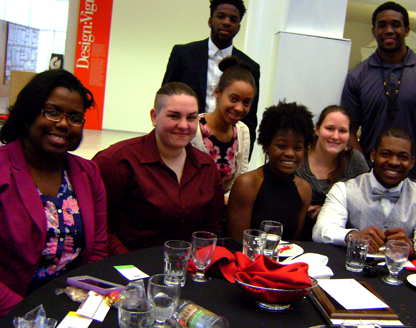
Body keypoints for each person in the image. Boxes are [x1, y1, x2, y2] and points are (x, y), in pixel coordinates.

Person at [0, 70, 107, 317]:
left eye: (75, 117)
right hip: (13, 308)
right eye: (52, 112)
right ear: (28, 114)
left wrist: (85, 307)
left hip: (72, 302)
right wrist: (26, 314)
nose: (62, 124)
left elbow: (97, 250)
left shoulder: (88, 172)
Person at [93, 83, 224, 256]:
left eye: (191, 118)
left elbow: (211, 230)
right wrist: (135, 268)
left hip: (185, 269)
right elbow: (101, 230)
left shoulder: (206, 167)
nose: (184, 125)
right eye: (174, 116)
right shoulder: (117, 162)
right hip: (127, 270)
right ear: (154, 117)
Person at [341, 1, 416, 188]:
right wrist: (365, 175)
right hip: (369, 180)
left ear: (407, 30)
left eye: (396, 24)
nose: (389, 30)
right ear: (374, 31)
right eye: (382, 25)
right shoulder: (357, 76)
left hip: (412, 179)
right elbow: (349, 131)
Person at [313, 127, 416, 259]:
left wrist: (412, 245)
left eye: (403, 157)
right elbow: (320, 232)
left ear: (411, 162)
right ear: (373, 155)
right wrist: (351, 236)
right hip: (351, 270)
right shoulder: (343, 190)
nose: (394, 162)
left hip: (401, 274)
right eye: (386, 154)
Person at [162, 0, 260, 152]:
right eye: (221, 16)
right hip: (184, 139)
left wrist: (242, 155)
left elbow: (250, 118)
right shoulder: (184, 54)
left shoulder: (250, 67)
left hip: (227, 146)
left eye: (233, 19)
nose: (226, 22)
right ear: (210, 20)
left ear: (239, 27)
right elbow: (166, 98)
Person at [227, 101, 315, 241]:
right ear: (266, 146)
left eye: (297, 148)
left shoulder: (304, 189)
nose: (290, 153)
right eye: (281, 145)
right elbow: (237, 243)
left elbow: (293, 244)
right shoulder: (247, 184)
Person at [295, 105, 369, 240]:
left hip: (339, 239)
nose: (335, 136)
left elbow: (366, 203)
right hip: (297, 236)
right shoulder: (298, 157)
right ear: (317, 129)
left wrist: (328, 211)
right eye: (330, 129)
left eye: (342, 131)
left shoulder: (355, 161)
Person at [191, 56, 256, 195]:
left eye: (246, 103)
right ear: (218, 93)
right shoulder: (193, 127)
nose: (239, 108)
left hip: (222, 211)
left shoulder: (243, 131)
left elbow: (239, 183)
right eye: (233, 99)